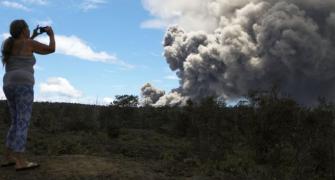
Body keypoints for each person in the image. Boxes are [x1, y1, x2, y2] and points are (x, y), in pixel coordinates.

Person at [0, 19, 55, 171]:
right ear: (24, 30)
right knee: (23, 122)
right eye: (28, 28)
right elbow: (51, 49)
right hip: (23, 84)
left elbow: (23, 45)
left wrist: (33, 36)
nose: (29, 29)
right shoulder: (29, 44)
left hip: (8, 83)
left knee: (16, 121)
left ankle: (8, 157)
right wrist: (51, 34)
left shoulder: (8, 43)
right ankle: (20, 161)